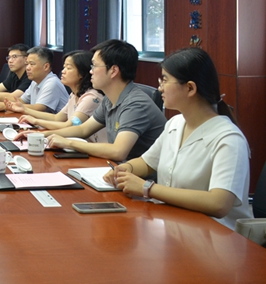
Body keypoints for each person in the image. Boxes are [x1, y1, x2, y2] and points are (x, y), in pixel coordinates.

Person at [104, 48, 251, 229]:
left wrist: (147, 188)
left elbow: (218, 203)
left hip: (215, 235)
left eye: (165, 80)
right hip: (175, 224)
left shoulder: (229, 139)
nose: (160, 87)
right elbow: (147, 162)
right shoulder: (176, 123)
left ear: (190, 88)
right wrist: (125, 169)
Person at [22, 39, 166, 161]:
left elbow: (118, 151)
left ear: (113, 71)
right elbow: (83, 129)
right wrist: (42, 135)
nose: (90, 71)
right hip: (118, 169)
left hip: (137, 178)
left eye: (95, 66)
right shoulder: (109, 99)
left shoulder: (135, 104)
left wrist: (68, 143)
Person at [8, 50, 103, 137]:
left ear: (82, 73)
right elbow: (57, 118)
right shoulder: (74, 95)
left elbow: (69, 125)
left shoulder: (91, 98)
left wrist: (37, 124)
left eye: (68, 68)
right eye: (64, 67)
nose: (63, 71)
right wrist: (26, 111)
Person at [5, 46, 68, 114]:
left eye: (32, 64)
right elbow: (22, 100)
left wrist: (5, 106)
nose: (27, 68)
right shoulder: (35, 81)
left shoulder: (52, 83)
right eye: (27, 64)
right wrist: (5, 104)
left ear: (46, 66)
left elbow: (38, 108)